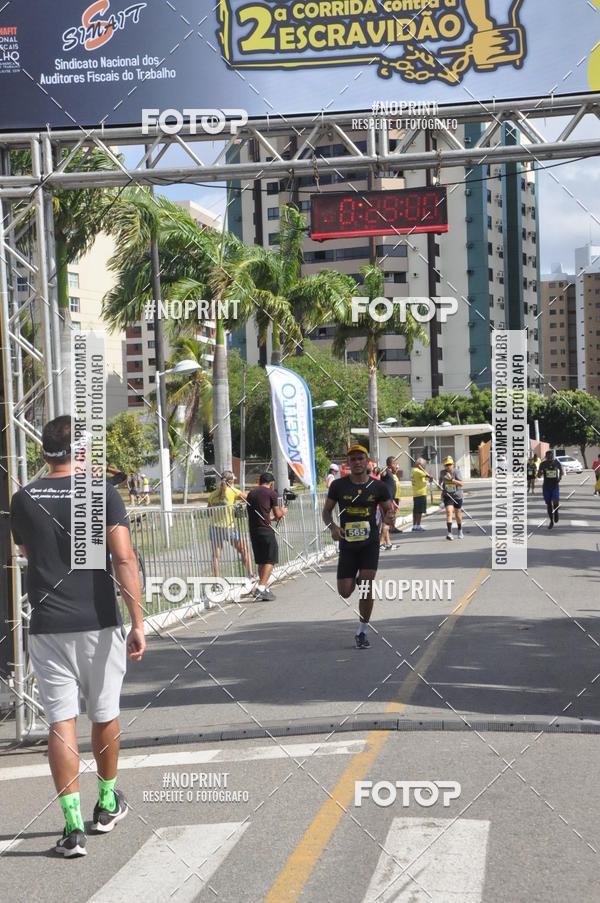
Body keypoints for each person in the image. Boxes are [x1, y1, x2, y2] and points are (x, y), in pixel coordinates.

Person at [9, 416, 146, 857]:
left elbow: (30, 553)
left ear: (43, 451)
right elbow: (123, 558)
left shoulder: (24, 498)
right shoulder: (100, 492)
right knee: (103, 715)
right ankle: (106, 805)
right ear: (80, 450)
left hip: (48, 626)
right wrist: (138, 621)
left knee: (61, 723)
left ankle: (71, 830)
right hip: (99, 621)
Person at [322, 444, 395, 649]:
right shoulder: (338, 486)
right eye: (353, 459)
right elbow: (326, 512)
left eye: (360, 458)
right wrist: (333, 528)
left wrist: (390, 517)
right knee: (345, 592)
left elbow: (389, 513)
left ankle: (362, 631)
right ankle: (356, 577)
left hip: (369, 543)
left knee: (366, 586)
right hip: (347, 543)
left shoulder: (379, 487)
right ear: (348, 463)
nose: (357, 462)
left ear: (367, 461)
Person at [246, 473, 287, 601]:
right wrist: (283, 512)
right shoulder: (271, 493)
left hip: (254, 531)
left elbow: (263, 516)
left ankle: (264, 586)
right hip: (266, 531)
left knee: (261, 560)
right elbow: (278, 513)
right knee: (270, 559)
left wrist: (273, 518)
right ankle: (261, 588)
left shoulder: (251, 493)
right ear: (271, 483)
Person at [207, 471, 255, 580]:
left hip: (214, 528)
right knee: (244, 550)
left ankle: (217, 582)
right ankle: (251, 574)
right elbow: (248, 498)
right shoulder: (233, 491)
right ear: (231, 481)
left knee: (215, 556)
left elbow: (208, 511)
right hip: (229, 527)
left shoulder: (212, 494)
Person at [439, 456, 464, 540]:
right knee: (449, 512)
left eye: (449, 464)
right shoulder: (442, 473)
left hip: (457, 495)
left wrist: (453, 480)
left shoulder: (456, 472)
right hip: (448, 495)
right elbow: (440, 482)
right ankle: (449, 533)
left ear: (453, 465)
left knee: (458, 514)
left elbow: (461, 484)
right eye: (446, 465)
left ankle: (460, 530)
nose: (448, 466)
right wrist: (440, 488)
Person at [538, 449, 563, 529]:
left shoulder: (556, 463)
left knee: (555, 501)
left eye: (550, 458)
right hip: (546, 486)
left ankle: (556, 512)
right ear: (546, 457)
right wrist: (540, 473)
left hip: (555, 485)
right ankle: (551, 521)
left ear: (552, 457)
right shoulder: (543, 464)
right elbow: (538, 475)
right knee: (549, 504)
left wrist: (559, 478)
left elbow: (561, 471)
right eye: (548, 458)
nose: (549, 459)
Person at [411, 457, 433, 532]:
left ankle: (414, 526)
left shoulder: (416, 471)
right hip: (420, 494)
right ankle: (417, 526)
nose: (424, 466)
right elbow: (428, 476)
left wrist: (430, 477)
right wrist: (429, 475)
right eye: (423, 465)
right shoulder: (417, 471)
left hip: (417, 493)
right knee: (419, 511)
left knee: (416, 510)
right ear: (420, 464)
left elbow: (430, 479)